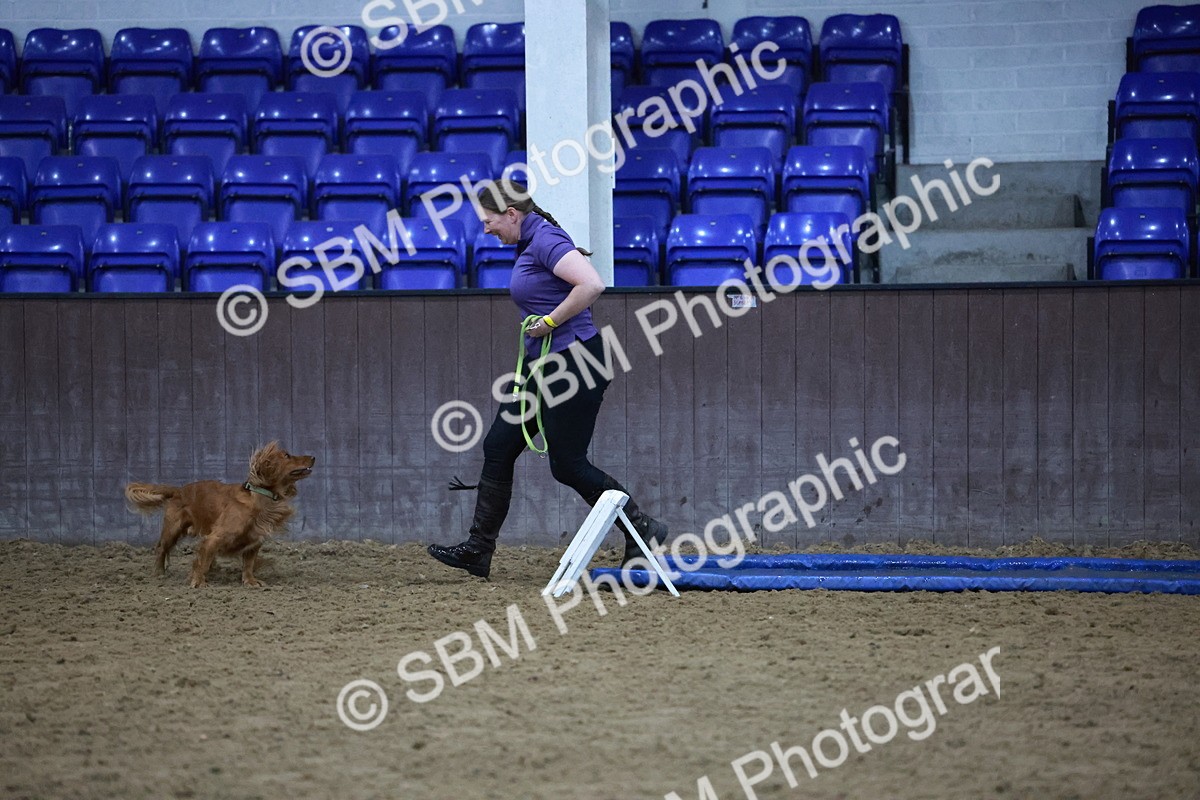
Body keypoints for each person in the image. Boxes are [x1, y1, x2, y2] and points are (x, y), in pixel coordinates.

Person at [426, 179, 667, 579]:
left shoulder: (545, 239)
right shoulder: (530, 240)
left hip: (575, 364)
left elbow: (591, 284)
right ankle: (478, 549)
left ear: (511, 214)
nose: (485, 229)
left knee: (568, 466)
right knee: (499, 444)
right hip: (546, 366)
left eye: (489, 221)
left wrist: (551, 321)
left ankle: (643, 528)